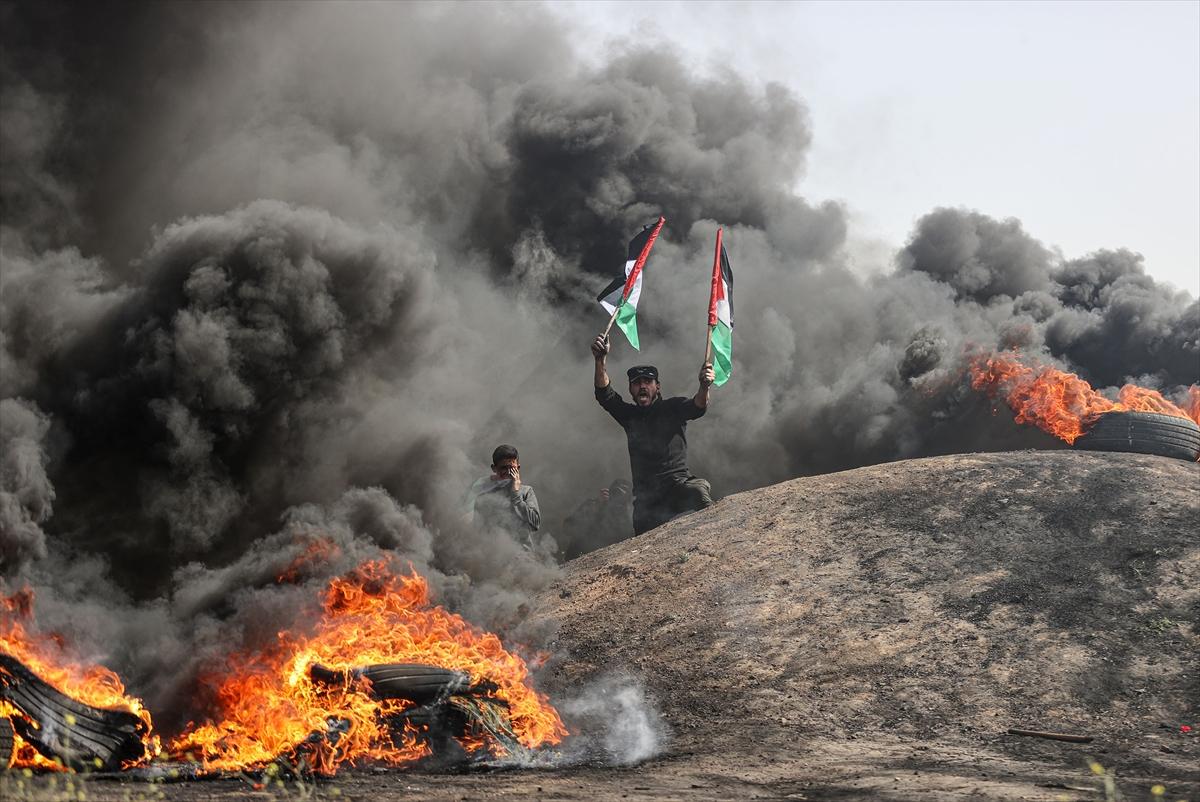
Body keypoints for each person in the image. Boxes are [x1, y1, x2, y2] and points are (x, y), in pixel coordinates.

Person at [590, 334, 715, 534]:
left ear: (657, 386)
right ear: (631, 389)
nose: (642, 386)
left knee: (697, 491)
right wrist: (599, 360)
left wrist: (704, 386)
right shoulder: (630, 416)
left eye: (647, 381)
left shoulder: (672, 408)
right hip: (647, 498)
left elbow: (698, 407)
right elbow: (605, 395)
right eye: (636, 383)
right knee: (643, 535)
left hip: (677, 485)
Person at [463, 445, 541, 539]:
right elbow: (477, 528)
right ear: (494, 468)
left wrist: (516, 494)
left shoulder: (526, 491)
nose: (508, 472)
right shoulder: (484, 494)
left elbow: (535, 524)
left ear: (518, 467)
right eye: (503, 468)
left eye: (512, 468)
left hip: (521, 552)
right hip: (493, 550)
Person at [560, 478, 635, 559]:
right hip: (579, 557)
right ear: (609, 492)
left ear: (628, 499)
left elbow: (628, 542)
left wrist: (626, 510)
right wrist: (595, 507)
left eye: (623, 494)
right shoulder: (594, 505)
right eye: (616, 492)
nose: (618, 496)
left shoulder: (628, 516)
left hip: (607, 560)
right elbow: (567, 528)